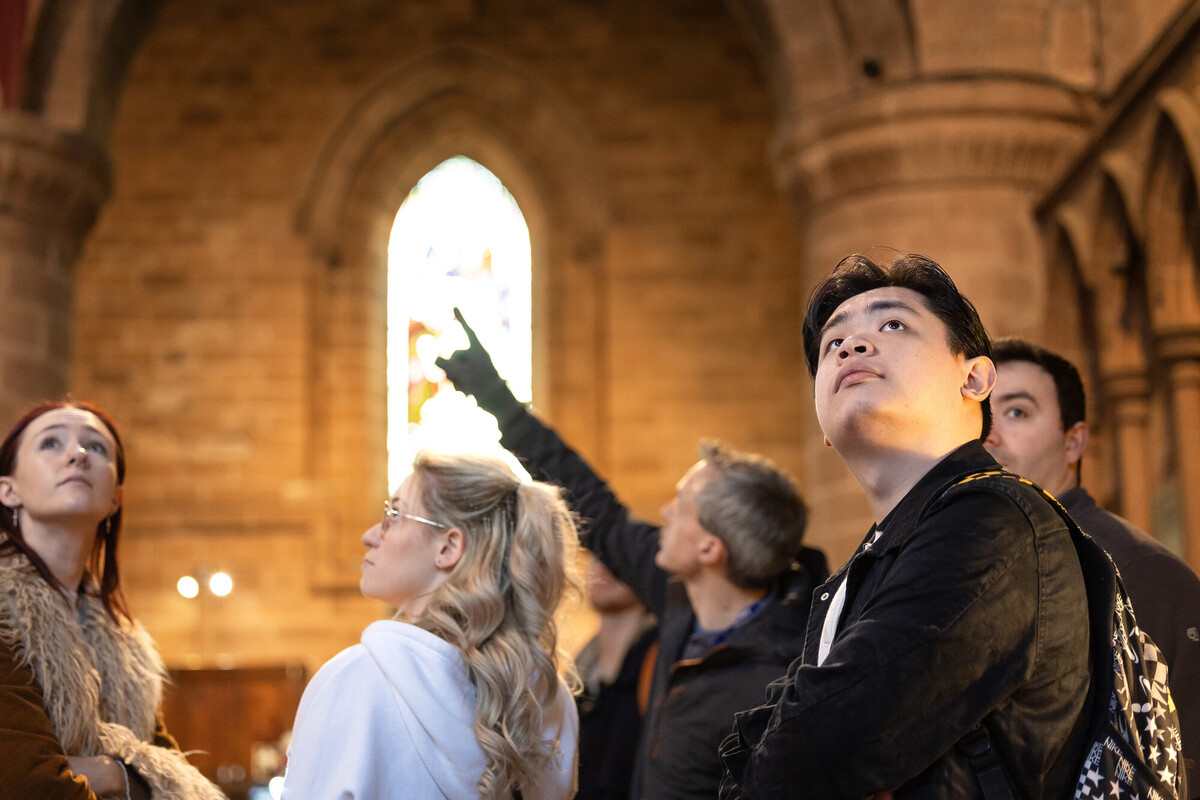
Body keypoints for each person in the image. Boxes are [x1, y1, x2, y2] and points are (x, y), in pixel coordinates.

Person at [720, 252, 1092, 799]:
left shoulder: (995, 522)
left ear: (974, 378)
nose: (851, 345)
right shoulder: (868, 566)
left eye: (892, 324)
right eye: (832, 345)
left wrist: (779, 749)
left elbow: (814, 748)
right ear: (823, 423)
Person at [437, 309, 829, 800]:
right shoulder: (683, 601)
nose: (665, 510)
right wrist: (496, 400)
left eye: (682, 505)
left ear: (710, 548)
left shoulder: (780, 683)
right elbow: (596, 506)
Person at [282, 449, 580, 800]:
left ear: (448, 546)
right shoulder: (549, 697)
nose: (369, 535)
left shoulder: (355, 681)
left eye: (393, 515)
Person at [985, 335, 1200, 795]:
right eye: (981, 412)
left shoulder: (1139, 570)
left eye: (1017, 412)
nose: (989, 434)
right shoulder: (984, 564)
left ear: (1074, 442)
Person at [0, 401, 225, 800]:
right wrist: (120, 775)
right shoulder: (5, 609)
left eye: (97, 448)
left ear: (115, 499)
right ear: (8, 489)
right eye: (50, 443)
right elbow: (28, 784)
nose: (78, 454)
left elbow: (173, 770)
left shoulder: (126, 645)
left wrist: (103, 772)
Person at [574, 557, 657, 800]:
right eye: (598, 554)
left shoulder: (657, 661)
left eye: (616, 553)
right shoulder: (577, 667)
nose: (604, 566)